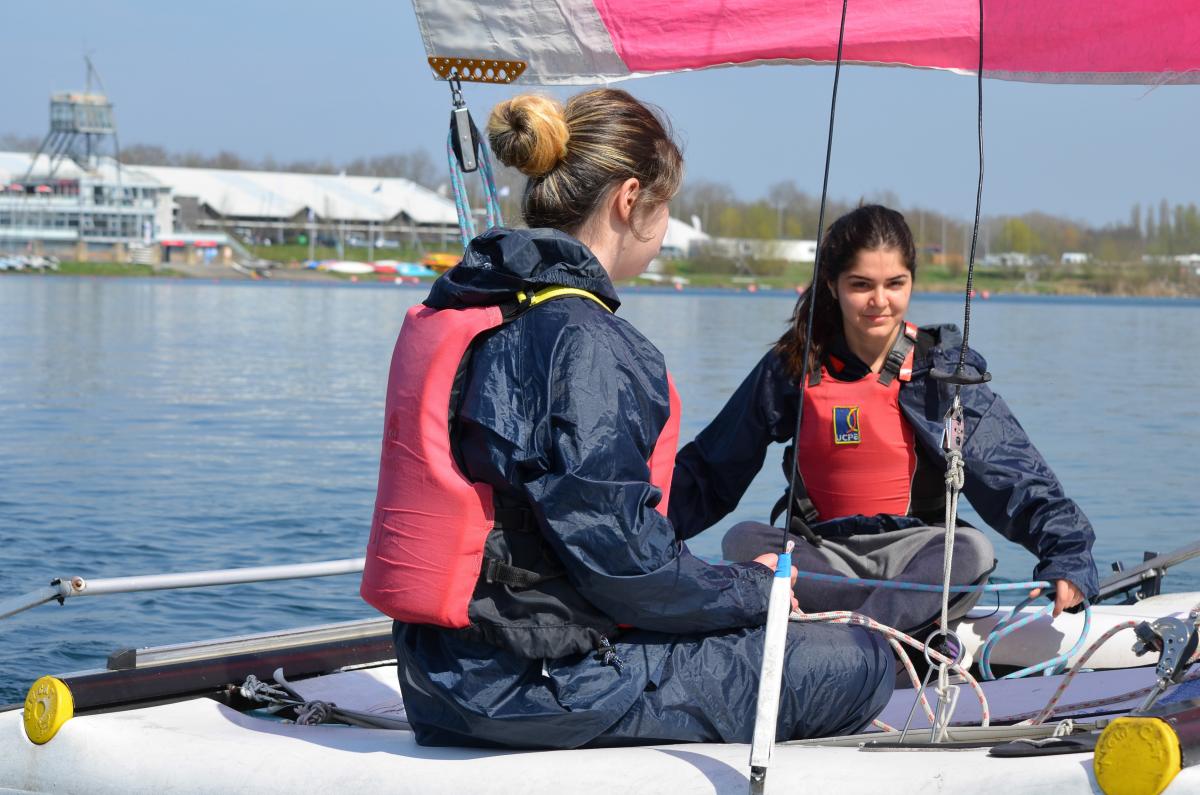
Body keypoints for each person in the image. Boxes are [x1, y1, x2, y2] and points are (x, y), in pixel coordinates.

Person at [360, 90, 894, 750]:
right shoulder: (584, 342)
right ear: (630, 198)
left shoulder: (482, 306)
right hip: (541, 687)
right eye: (666, 207)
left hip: (438, 680)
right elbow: (628, 568)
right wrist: (759, 586)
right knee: (861, 661)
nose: (664, 229)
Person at [670, 204, 1099, 636]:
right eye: (861, 285)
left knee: (972, 549)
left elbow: (1014, 472)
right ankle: (882, 629)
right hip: (822, 555)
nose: (879, 301)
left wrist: (1068, 555)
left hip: (914, 558)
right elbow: (712, 469)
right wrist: (646, 538)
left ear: (911, 281)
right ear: (832, 285)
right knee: (742, 539)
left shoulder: (940, 371)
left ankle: (855, 642)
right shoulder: (794, 365)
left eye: (895, 284)